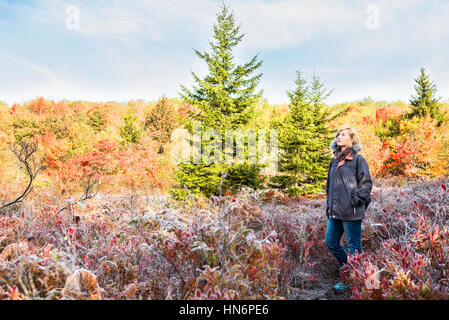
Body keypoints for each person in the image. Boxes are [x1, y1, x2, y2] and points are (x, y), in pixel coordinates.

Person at [325, 126, 373, 292]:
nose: (339, 136)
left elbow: (366, 183)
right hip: (335, 212)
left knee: (354, 249)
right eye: (338, 134)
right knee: (331, 242)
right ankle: (349, 273)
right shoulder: (334, 160)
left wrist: (355, 199)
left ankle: (358, 283)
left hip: (352, 212)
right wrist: (329, 206)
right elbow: (329, 187)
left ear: (352, 139)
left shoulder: (358, 160)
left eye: (343, 134)